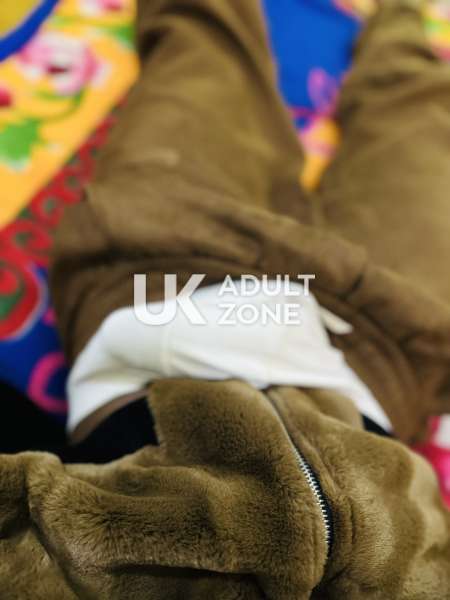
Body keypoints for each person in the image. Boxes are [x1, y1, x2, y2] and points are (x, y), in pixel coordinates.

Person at [0, 0, 449, 597]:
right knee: (420, 119)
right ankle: (404, 14)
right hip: (385, 347)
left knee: (204, 52)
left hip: (166, 280)